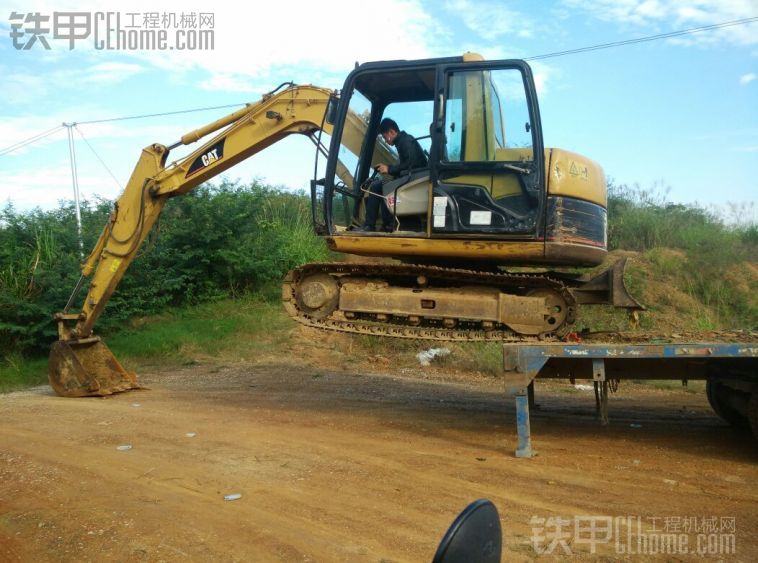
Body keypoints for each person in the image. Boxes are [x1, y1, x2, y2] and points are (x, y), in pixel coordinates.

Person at [356, 118, 428, 232]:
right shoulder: (404, 141)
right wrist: (389, 168)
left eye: (385, 137)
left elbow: (411, 165)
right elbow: (407, 165)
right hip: (413, 177)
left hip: (414, 180)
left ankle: (373, 225)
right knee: (382, 185)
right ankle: (385, 224)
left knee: (377, 186)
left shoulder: (406, 142)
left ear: (391, 132)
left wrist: (389, 169)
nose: (385, 141)